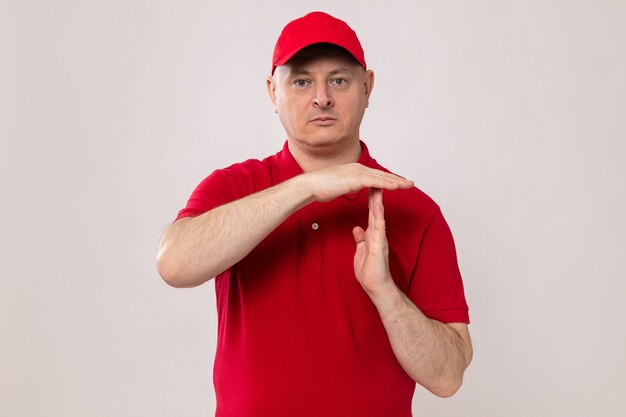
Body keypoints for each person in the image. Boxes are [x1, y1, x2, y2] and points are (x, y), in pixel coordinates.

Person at [157, 11, 472, 417]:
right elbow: (174, 265)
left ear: (367, 87)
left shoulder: (414, 209)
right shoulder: (233, 188)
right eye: (302, 81)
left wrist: (385, 293)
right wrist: (305, 188)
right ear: (273, 92)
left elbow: (447, 377)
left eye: (338, 81)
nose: (321, 97)